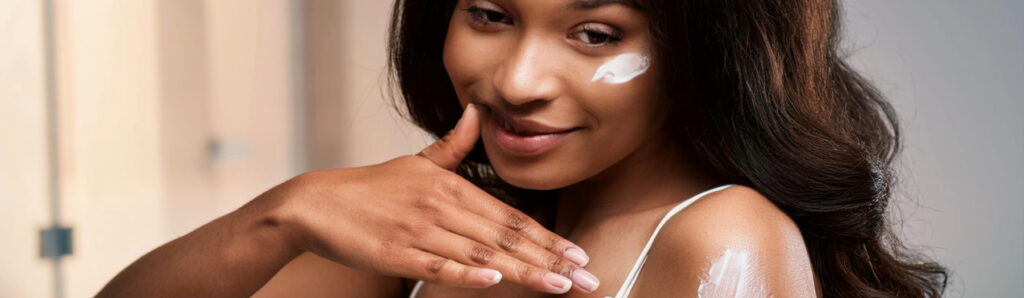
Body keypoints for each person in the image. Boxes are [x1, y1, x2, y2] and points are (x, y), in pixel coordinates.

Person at [99, 0, 948, 297]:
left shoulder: (719, 238)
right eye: (491, 15)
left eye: (593, 33)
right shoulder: (449, 222)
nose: (517, 78)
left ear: (704, 48)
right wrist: (281, 215)